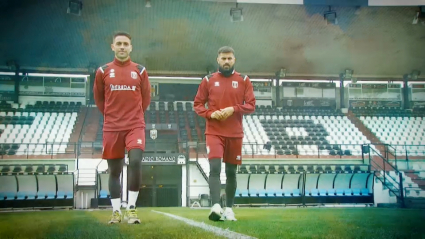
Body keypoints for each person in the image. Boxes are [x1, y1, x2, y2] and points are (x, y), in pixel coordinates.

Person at [93, 31, 151, 224]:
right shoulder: (103, 71)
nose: (122, 47)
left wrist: (133, 115)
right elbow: (99, 99)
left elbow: (146, 98)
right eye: (119, 43)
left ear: (131, 47)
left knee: (135, 161)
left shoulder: (141, 70)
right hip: (112, 127)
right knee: (114, 170)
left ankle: (132, 208)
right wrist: (111, 116)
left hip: (135, 124)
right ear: (113, 47)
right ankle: (116, 211)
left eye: (126, 44)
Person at [194, 46, 256, 221]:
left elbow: (251, 105)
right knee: (214, 168)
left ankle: (229, 209)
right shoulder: (208, 80)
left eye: (229, 58)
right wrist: (210, 113)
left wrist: (233, 109)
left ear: (234, 60)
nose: (226, 61)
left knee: (231, 172)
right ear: (218, 60)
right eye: (223, 58)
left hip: (235, 134)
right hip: (214, 132)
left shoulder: (244, 80)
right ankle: (215, 206)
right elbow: (198, 104)